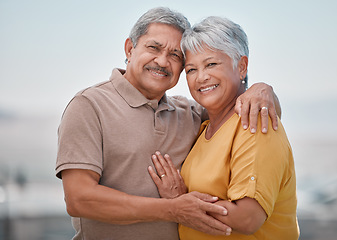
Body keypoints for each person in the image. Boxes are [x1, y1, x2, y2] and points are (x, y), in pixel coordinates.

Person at [55, 7, 281, 240]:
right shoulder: (89, 106)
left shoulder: (190, 113)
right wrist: (173, 209)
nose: (162, 61)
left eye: (175, 55)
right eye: (154, 47)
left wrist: (262, 90)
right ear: (130, 49)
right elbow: (79, 199)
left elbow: (237, 107)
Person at [149, 16, 299, 239]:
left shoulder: (254, 124)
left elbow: (247, 219)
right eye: (191, 70)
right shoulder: (205, 128)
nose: (201, 77)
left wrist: (179, 203)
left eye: (211, 64)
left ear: (242, 67)